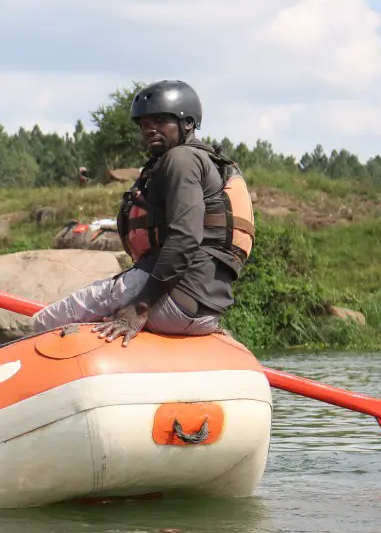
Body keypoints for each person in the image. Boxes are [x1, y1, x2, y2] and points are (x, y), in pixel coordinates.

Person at [33, 80, 255, 345]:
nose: (149, 130)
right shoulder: (209, 163)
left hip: (174, 300)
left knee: (43, 322)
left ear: (188, 123)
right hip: (205, 312)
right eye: (144, 125)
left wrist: (140, 309)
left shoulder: (181, 160)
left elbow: (184, 240)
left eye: (160, 121)